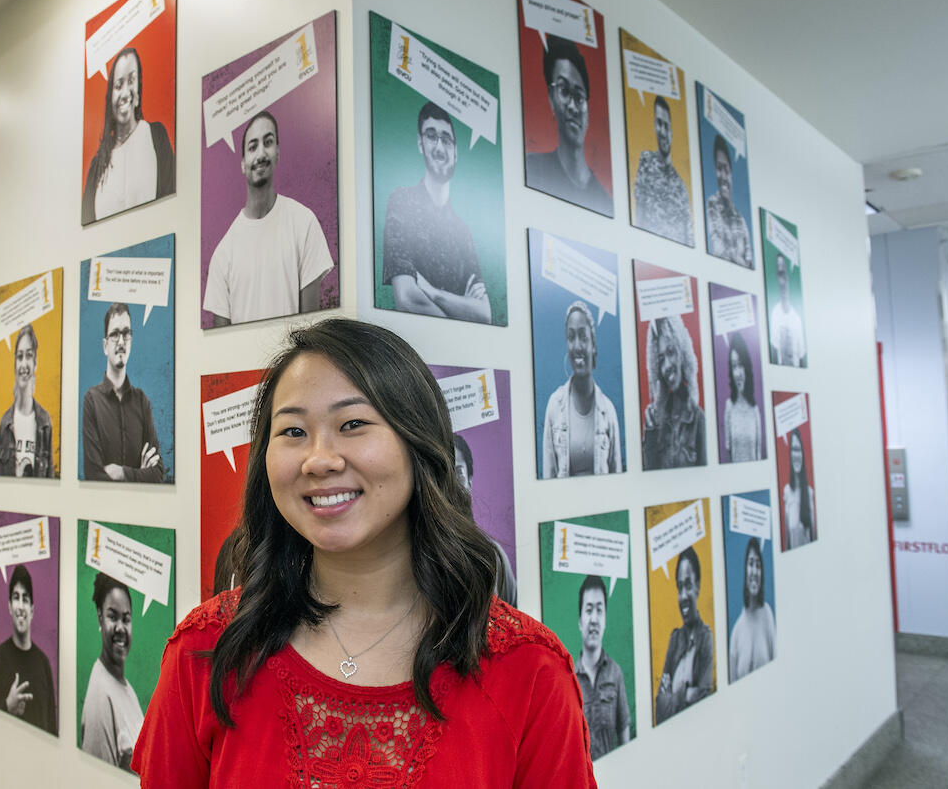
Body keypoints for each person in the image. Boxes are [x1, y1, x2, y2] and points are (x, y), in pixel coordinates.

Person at [132, 319, 596, 786]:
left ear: (419, 443)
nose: (319, 459)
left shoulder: (529, 672)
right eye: (293, 432)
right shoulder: (206, 651)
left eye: (353, 424)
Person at [203, 110, 334, 326]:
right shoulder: (223, 254)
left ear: (278, 153)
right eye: (252, 147)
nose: (261, 154)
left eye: (268, 142)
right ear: (243, 163)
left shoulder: (304, 223)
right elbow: (219, 345)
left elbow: (311, 328)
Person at [381, 102, 492, 324]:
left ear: (456, 151)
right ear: (420, 144)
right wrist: (461, 312)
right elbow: (407, 298)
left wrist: (432, 292)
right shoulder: (402, 202)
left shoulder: (462, 231)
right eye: (431, 136)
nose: (440, 148)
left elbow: (484, 314)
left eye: (447, 139)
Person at [81, 47, 175, 225]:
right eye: (118, 85)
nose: (125, 93)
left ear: (138, 89)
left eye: (131, 81)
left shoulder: (156, 136)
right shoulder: (97, 167)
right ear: (111, 95)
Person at [525, 36, 612, 215]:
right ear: (551, 97)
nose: (573, 106)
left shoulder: (605, 204)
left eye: (579, 97)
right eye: (564, 91)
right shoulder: (531, 169)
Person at [82, 303, 168, 482]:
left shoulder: (142, 402)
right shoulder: (92, 401)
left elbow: (158, 474)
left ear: (131, 341)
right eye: (114, 334)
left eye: (126, 333)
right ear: (105, 346)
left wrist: (121, 473)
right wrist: (140, 474)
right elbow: (93, 476)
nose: (121, 341)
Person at [542, 301, 622, 477]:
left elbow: (618, 481)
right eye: (571, 337)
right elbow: (548, 477)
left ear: (593, 345)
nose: (577, 346)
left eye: (583, 337)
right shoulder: (554, 406)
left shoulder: (608, 411)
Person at [81, 572, 144, 770]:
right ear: (100, 618)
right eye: (112, 617)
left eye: (126, 619)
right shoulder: (100, 696)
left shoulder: (126, 688)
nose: (120, 628)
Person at [0, 564, 56, 733]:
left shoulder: (43, 663)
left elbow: (52, 728)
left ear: (32, 610)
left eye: (25, 599)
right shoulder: (0, 657)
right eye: (16, 597)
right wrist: (7, 707)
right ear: (9, 606)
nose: (20, 606)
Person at [451, 433, 518, 605]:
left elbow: (514, 626)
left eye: (458, 473)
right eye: (441, 474)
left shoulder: (494, 557)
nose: (449, 484)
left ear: (470, 481)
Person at [655, 547, 713, 723]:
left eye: (688, 585)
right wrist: (686, 695)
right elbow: (659, 708)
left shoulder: (706, 639)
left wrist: (673, 696)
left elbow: (705, 696)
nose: (683, 596)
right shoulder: (675, 640)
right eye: (679, 587)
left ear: (698, 586)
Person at [575, 575, 630, 759]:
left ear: (605, 619)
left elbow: (626, 740)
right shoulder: (569, 680)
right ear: (580, 621)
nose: (594, 619)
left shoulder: (616, 674)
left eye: (599, 610)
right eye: (588, 610)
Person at [642, 316, 706, 469]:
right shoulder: (656, 420)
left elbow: (707, 479)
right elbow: (648, 479)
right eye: (661, 359)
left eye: (670, 352)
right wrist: (650, 432)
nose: (667, 366)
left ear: (682, 353)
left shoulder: (697, 419)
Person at [0, 323, 54, 478]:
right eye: (20, 356)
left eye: (29, 355)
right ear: (15, 363)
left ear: (35, 362)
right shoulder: (4, 424)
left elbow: (50, 481)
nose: (24, 364)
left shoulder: (45, 422)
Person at [632, 96, 693, 246]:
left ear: (672, 133)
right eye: (659, 123)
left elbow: (689, 238)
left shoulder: (681, 187)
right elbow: (639, 213)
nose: (663, 132)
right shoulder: (646, 160)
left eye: (667, 126)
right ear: (654, 126)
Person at [727, 537, 776, 681]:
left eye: (758, 565)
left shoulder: (767, 616)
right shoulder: (736, 633)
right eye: (750, 564)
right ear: (745, 570)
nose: (754, 571)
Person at [705, 135, 752, 267]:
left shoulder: (741, 220)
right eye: (719, 168)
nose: (724, 176)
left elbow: (750, 264)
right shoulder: (711, 204)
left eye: (727, 169)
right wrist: (739, 259)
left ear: (731, 174)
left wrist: (735, 258)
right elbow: (719, 252)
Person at [722, 332, 761, 463]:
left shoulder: (754, 410)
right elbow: (728, 452)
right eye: (734, 366)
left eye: (740, 365)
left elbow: (758, 455)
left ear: (747, 367)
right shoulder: (729, 407)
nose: (738, 373)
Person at [769, 254, 807, 366]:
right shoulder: (774, 314)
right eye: (779, 275)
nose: (782, 282)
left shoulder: (797, 318)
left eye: (784, 274)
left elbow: (802, 358)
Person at [783, 428, 816, 549]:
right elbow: (787, 544)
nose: (796, 455)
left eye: (798, 450)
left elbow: (814, 537)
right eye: (793, 450)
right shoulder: (786, 492)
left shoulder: (809, 492)